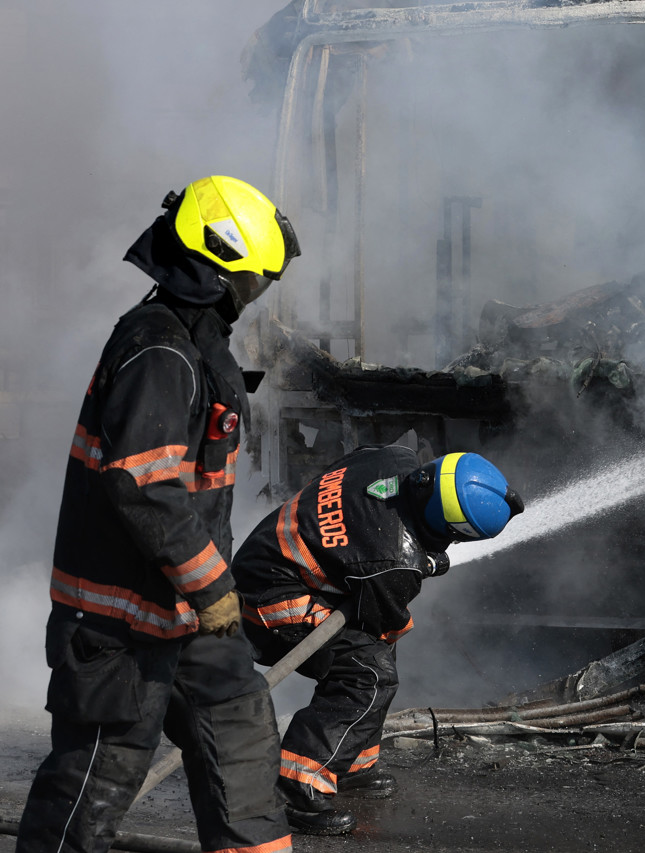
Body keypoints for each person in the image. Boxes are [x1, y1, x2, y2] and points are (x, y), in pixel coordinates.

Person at [17, 176, 302, 853]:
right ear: (217, 270)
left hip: (188, 614)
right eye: (253, 281)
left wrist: (205, 593)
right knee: (93, 784)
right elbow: (141, 482)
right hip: (120, 623)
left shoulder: (193, 343)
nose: (254, 295)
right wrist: (211, 585)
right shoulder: (159, 350)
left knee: (241, 742)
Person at [231, 445, 523, 835]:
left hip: (269, 556)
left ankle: (349, 762)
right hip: (268, 595)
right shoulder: (393, 562)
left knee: (375, 658)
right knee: (367, 675)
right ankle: (295, 786)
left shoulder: (394, 458)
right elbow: (387, 623)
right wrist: (415, 563)